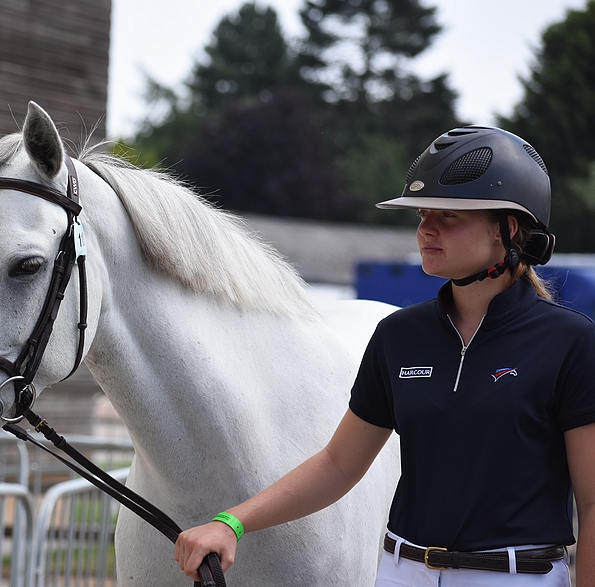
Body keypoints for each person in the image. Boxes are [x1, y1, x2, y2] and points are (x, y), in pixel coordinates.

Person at [174, 126, 595, 586]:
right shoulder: (397, 336)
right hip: (400, 573)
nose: (426, 229)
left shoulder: (571, 342)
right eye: (421, 214)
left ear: (508, 229)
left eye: (449, 216)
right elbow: (338, 464)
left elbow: (592, 502)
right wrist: (231, 522)